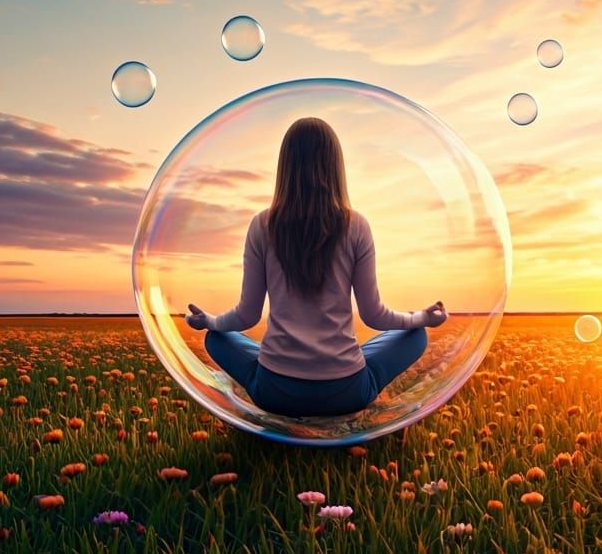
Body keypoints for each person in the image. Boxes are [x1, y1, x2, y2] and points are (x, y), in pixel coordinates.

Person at [184, 116, 447, 417]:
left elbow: (247, 315)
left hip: (274, 393)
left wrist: (211, 322)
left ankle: (265, 379)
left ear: (285, 166)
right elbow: (374, 315)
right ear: (335, 167)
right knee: (416, 335)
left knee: (217, 338)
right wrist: (420, 318)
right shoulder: (356, 225)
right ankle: (362, 384)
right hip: (346, 393)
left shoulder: (261, 225)